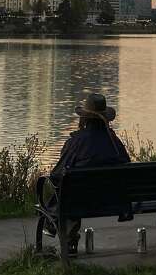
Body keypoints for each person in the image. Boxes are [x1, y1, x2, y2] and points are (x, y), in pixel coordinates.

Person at [44, 93, 129, 253]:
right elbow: (126, 165)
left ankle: (67, 238)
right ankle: (64, 235)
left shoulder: (76, 142)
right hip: (113, 200)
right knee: (73, 189)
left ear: (83, 119)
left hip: (80, 200)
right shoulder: (114, 141)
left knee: (66, 191)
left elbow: (56, 175)